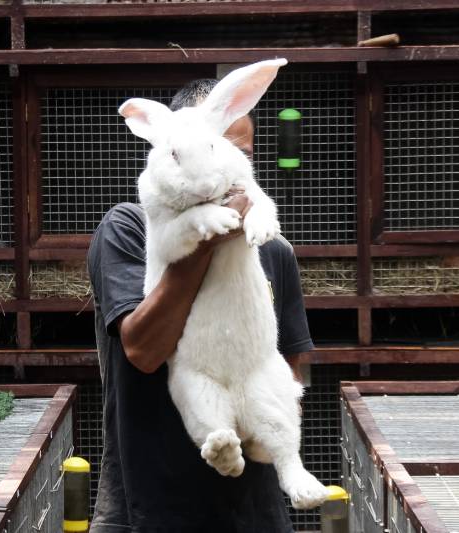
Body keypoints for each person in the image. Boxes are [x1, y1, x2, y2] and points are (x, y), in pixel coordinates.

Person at [87, 78, 314, 533]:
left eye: (240, 153)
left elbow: (292, 358)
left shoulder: (272, 249)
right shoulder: (129, 230)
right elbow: (143, 349)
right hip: (151, 506)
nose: (218, 176)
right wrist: (206, 239)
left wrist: (269, 417)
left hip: (253, 511)